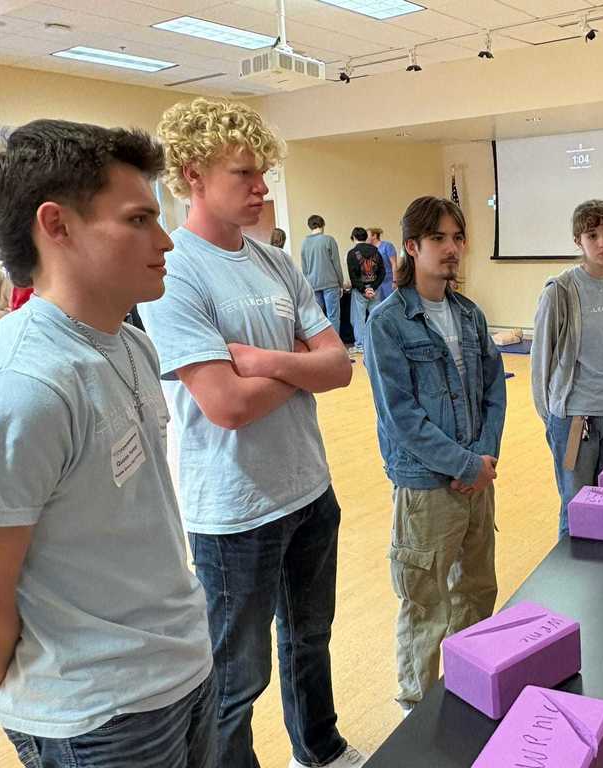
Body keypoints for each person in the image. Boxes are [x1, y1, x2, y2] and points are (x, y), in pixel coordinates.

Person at [139, 97, 366, 768]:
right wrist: (307, 367)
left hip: (308, 491)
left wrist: (267, 361)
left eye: (263, 172)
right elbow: (226, 406)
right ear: (192, 175)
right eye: (245, 173)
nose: (263, 187)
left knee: (310, 643)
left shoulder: (274, 260)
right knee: (237, 682)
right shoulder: (173, 272)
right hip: (235, 514)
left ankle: (318, 750)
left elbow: (342, 368)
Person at [0, 119, 215, 767]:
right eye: (139, 220)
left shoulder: (131, 341)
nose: (167, 240)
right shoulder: (25, 386)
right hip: (98, 715)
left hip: (179, 666)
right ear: (56, 225)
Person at [364, 196, 506, 714]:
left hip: (476, 481)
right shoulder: (387, 323)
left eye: (457, 238)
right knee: (426, 603)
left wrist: (484, 458)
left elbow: (495, 389)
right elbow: (401, 418)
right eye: (439, 239)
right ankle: (416, 712)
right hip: (427, 486)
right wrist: (466, 465)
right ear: (412, 246)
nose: (452, 249)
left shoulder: (469, 315)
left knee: (476, 590)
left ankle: (468, 691)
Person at [531, 199, 603, 537]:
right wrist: (551, 416)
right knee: (575, 505)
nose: (602, 242)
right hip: (575, 418)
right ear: (578, 241)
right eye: (592, 235)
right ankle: (573, 583)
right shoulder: (560, 292)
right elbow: (540, 361)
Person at [301, 215, 345, 337]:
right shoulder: (329, 240)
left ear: (310, 226)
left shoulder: (304, 243)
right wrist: (341, 284)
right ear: (323, 225)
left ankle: (322, 345)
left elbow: (304, 268)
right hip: (330, 283)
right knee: (333, 315)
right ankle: (336, 346)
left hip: (312, 284)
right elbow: (336, 263)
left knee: (317, 318)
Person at [347, 226, 384, 353]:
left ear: (354, 238)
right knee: (376, 318)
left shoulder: (352, 254)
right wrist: (373, 288)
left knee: (358, 319)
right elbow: (382, 272)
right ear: (365, 237)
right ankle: (378, 343)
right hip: (375, 290)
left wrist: (364, 289)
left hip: (360, 291)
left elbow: (353, 276)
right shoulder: (376, 251)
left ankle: (361, 345)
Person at [368, 226, 398, 300]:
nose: (365, 238)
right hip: (377, 283)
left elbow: (394, 264)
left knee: (391, 304)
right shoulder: (369, 249)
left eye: (367, 235)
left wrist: (395, 281)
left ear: (374, 236)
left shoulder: (387, 246)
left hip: (389, 281)